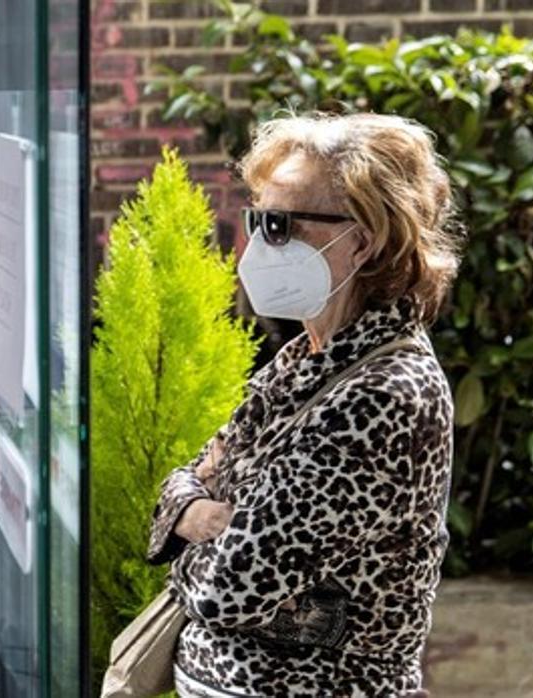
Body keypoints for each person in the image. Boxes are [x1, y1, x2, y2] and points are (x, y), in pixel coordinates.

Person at [147, 112, 461, 697]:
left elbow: (231, 590)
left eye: (278, 224)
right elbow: (190, 478)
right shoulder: (309, 358)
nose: (254, 243)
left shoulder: (382, 397)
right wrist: (189, 509)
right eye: (255, 218)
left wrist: (191, 530)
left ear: (363, 241)